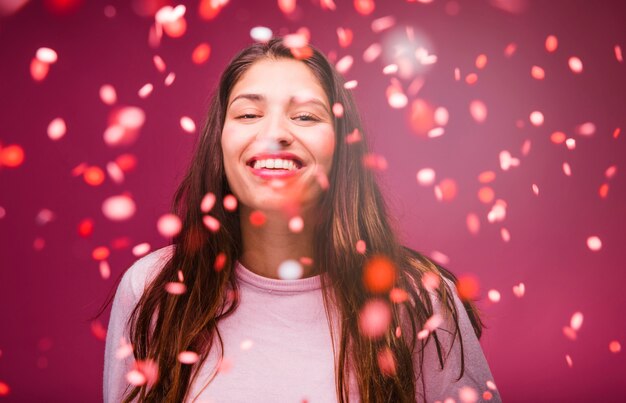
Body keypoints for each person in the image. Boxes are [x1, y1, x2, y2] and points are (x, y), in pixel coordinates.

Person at [103, 37, 501, 403]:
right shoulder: (154, 289)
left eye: (306, 117)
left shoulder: (420, 298)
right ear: (219, 142)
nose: (274, 133)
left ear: (341, 148)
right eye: (248, 114)